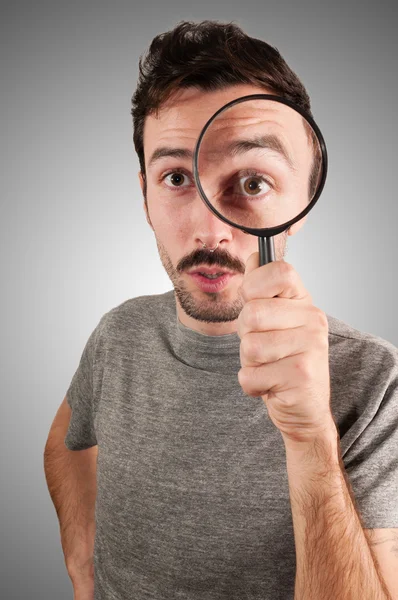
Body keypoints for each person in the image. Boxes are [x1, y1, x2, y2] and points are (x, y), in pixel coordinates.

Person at [44, 20, 398, 600]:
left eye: (253, 182)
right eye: (177, 177)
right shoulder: (118, 332)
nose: (210, 229)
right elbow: (66, 437)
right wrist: (83, 563)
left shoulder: (376, 382)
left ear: (303, 199)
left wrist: (310, 439)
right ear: (144, 196)